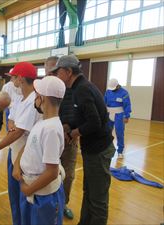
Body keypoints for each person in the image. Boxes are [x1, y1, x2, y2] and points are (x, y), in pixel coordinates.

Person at [52, 55, 115, 225]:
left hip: (99, 150)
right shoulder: (78, 88)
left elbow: (94, 122)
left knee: (98, 197)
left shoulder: (82, 89)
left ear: (68, 71)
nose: (57, 76)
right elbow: (82, 115)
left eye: (58, 72)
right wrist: (68, 126)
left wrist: (73, 133)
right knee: (89, 191)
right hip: (92, 149)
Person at [0, 62, 41, 225]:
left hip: (25, 156)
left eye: (13, 76)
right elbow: (13, 120)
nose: (11, 80)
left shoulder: (32, 101)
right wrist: (11, 124)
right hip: (15, 151)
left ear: (20, 79)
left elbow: (19, 131)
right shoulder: (22, 98)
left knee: (23, 199)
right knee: (14, 196)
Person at [13, 75, 66, 225]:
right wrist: (17, 165)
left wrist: (28, 190)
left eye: (36, 94)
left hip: (42, 196)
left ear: (41, 98)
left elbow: (51, 172)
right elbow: (27, 145)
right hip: (31, 189)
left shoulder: (51, 129)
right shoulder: (42, 122)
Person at [45, 56, 77, 219]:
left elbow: (77, 112)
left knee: (69, 174)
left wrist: (68, 129)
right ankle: (49, 203)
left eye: (54, 71)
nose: (51, 75)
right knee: (48, 172)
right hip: (49, 138)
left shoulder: (72, 89)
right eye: (48, 71)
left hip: (70, 138)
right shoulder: (42, 90)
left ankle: (63, 204)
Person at [104, 78, 132, 159]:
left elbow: (127, 105)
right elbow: (104, 102)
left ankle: (120, 151)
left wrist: (127, 116)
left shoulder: (124, 93)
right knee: (107, 132)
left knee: (119, 133)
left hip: (119, 115)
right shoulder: (108, 91)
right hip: (109, 114)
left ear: (117, 86)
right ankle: (107, 148)